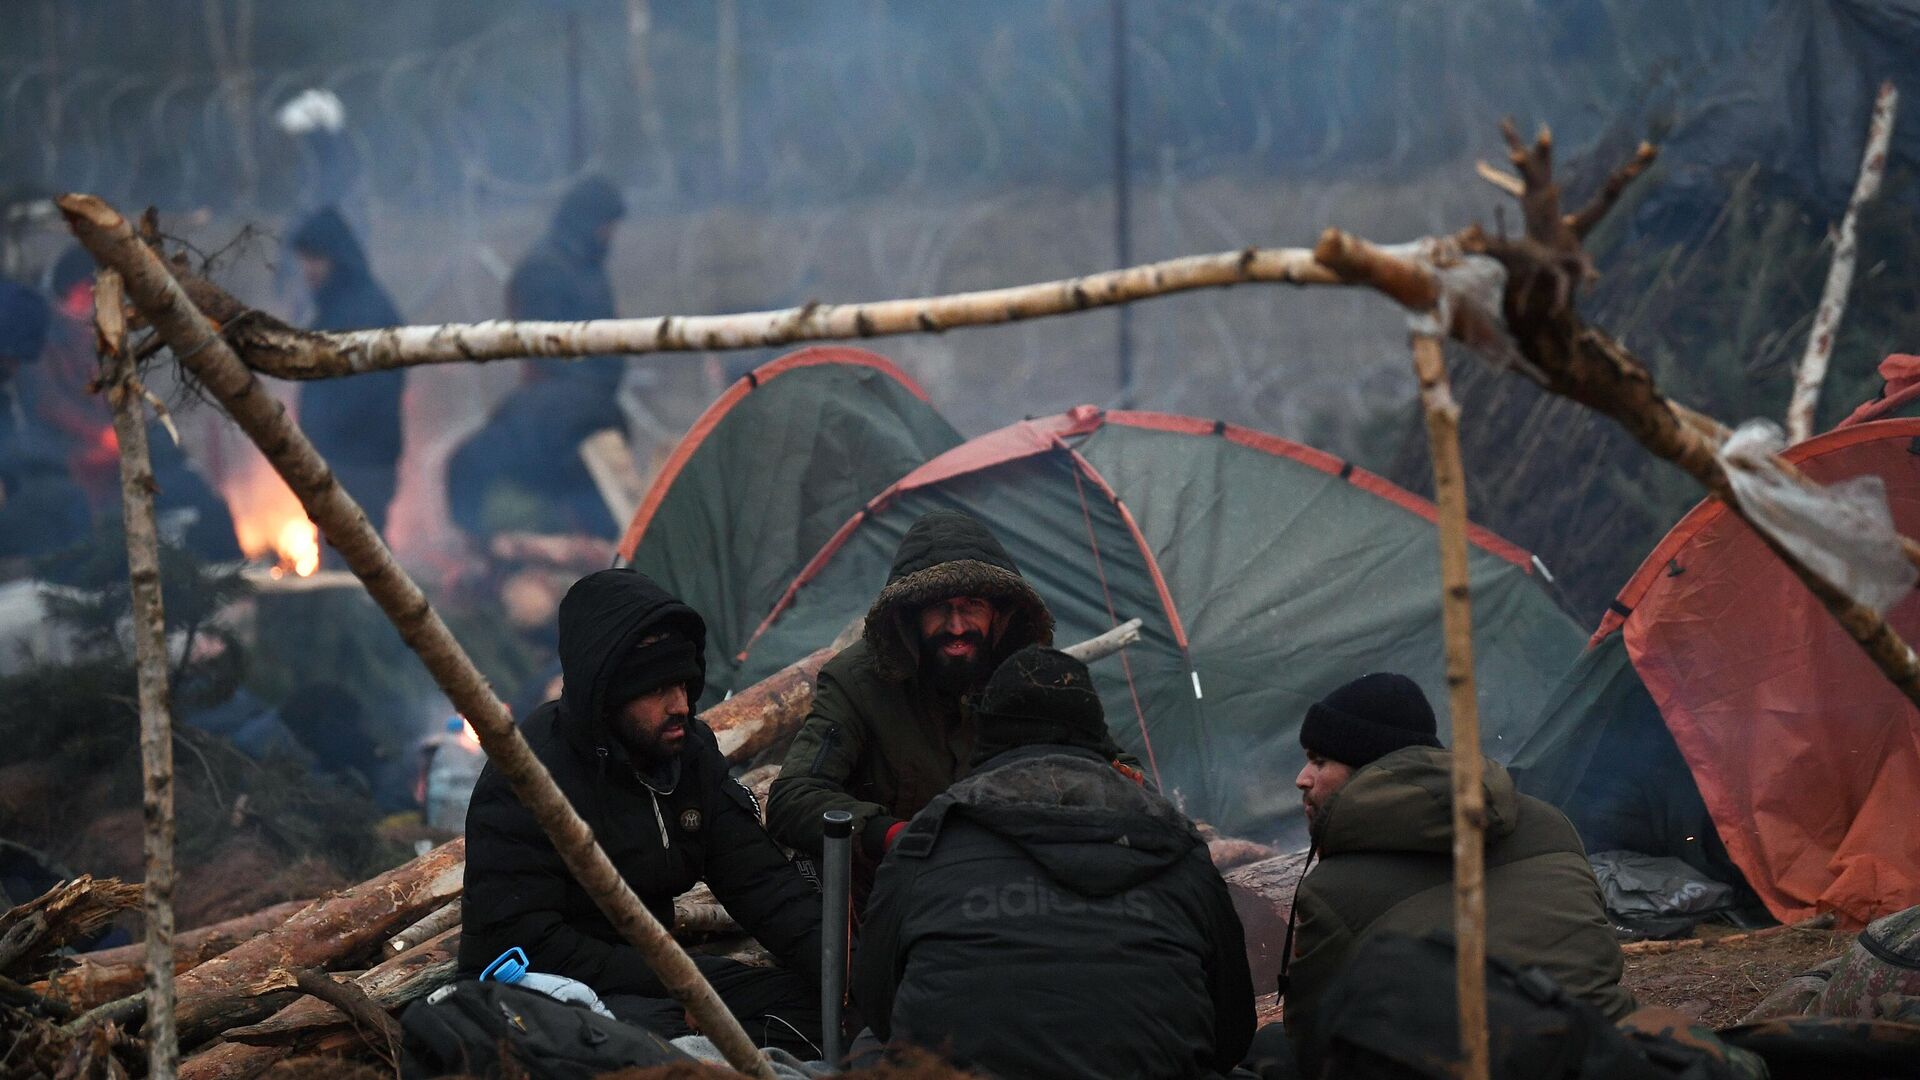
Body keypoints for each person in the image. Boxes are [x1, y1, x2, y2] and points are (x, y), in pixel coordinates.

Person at [459, 568, 823, 1055]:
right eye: (656, 690)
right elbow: (523, 940)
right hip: (545, 992)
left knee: (816, 1008)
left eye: (684, 684)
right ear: (606, 694)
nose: (680, 705)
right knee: (632, 1045)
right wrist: (677, 983)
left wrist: (841, 964)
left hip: (655, 979)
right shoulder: (528, 777)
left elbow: (760, 884)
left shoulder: (688, 755)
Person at [852, 646, 1255, 1078]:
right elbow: (1231, 1030)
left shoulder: (928, 838)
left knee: (867, 1045)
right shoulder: (1176, 841)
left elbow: (878, 1001)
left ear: (986, 737)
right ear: (1096, 734)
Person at [1274, 672, 1633, 1070]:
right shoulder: (1548, 821)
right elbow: (1598, 957)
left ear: (1367, 768)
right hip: (1611, 1053)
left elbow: (1313, 1038)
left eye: (1320, 761)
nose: (1301, 779)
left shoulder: (1332, 891)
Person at [767, 508, 1141, 870]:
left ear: (1000, 613)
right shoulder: (857, 681)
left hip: (1015, 881)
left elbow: (1123, 773)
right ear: (909, 614)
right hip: (899, 889)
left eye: (972, 605)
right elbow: (794, 797)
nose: (958, 626)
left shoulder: (1028, 676)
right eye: (940, 608)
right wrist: (893, 835)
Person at [446, 176, 629, 540]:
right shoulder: (543, 271)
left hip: (591, 408)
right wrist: (584, 391)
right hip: (564, 416)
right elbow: (543, 350)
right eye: (606, 225)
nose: (610, 235)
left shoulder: (589, 269)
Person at [287, 207, 406, 536]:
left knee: (360, 563)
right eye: (304, 259)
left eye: (315, 259)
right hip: (339, 463)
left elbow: (370, 392)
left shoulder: (363, 310)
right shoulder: (336, 307)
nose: (307, 269)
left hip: (359, 466)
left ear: (336, 258)